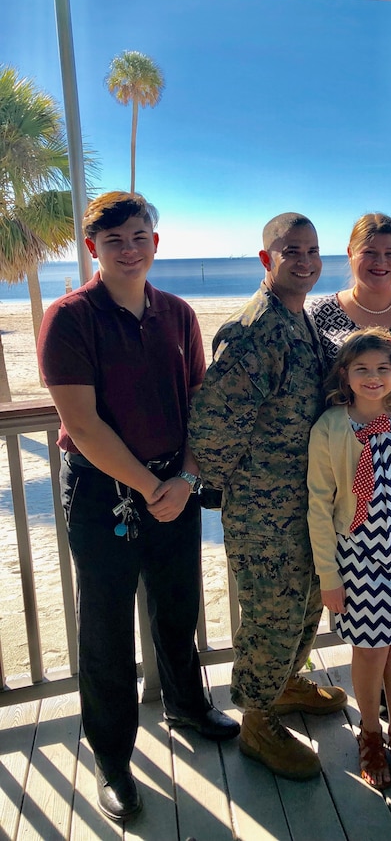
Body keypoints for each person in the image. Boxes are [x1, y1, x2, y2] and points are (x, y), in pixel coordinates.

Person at [36, 192, 239, 824]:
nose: (129, 249)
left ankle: (184, 703)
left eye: (139, 236)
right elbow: (83, 425)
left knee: (177, 607)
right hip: (106, 495)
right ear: (93, 247)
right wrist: (154, 490)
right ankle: (113, 758)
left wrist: (184, 477)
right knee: (106, 628)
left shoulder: (178, 315)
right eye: (115, 239)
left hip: (174, 484)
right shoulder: (70, 318)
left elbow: (201, 405)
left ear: (157, 242)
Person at [188, 212, 347, 782]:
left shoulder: (297, 320)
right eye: (290, 251)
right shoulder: (255, 330)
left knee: (304, 603)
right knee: (270, 613)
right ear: (266, 259)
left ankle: (282, 687)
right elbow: (213, 428)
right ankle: (257, 721)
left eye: (312, 250)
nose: (303, 261)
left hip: (305, 501)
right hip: (265, 509)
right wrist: (231, 492)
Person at [307, 213, 391, 709]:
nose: (381, 262)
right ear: (350, 256)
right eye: (370, 253)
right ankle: (379, 692)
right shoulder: (322, 312)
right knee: (367, 584)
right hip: (351, 453)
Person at [307, 327, 391, 791]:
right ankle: (369, 731)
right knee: (369, 650)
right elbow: (320, 507)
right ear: (345, 375)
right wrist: (330, 574)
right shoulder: (330, 428)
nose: (372, 377)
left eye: (382, 368)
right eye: (361, 368)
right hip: (356, 557)